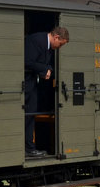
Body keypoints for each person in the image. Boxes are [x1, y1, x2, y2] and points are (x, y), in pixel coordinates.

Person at [24, 26, 69, 156]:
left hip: (32, 85)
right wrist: (44, 69)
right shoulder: (36, 41)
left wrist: (46, 68)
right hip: (26, 84)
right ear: (56, 37)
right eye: (60, 44)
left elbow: (43, 64)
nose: (59, 47)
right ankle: (28, 148)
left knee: (31, 114)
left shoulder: (47, 45)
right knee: (28, 115)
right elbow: (27, 61)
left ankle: (30, 147)